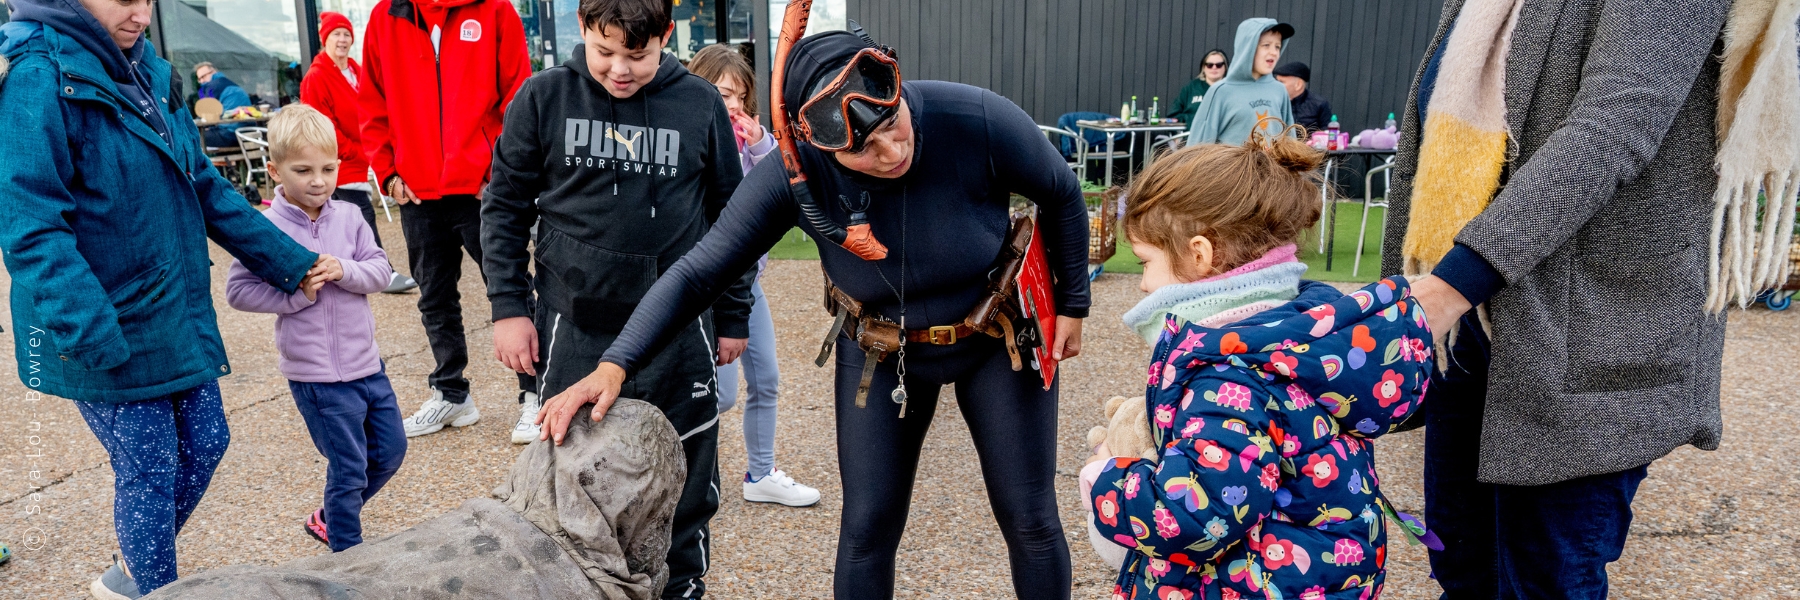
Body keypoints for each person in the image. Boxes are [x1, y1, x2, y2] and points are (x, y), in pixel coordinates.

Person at [536, 25, 1092, 599]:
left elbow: (1061, 191)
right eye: (863, 150)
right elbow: (700, 271)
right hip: (878, 347)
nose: (892, 152)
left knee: (1031, 519)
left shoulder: (973, 117)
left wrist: (1073, 302)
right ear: (818, 144)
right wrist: (614, 365)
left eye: (892, 125)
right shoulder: (795, 171)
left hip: (994, 339)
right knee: (867, 529)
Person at [1381, 0, 1749, 597]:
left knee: (1543, 580)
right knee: (1463, 569)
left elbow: (1616, 123)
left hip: (1583, 334)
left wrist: (1448, 288)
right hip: (1470, 324)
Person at [0, 0, 324, 594]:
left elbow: (203, 183)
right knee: (149, 472)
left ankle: (130, 568)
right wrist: (89, 329)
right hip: (101, 324)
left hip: (168, 311)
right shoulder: (35, 78)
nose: (141, 12)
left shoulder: (148, 68)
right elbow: (30, 225)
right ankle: (149, 585)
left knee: (208, 441)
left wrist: (292, 262)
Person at [1081, 131, 1430, 599]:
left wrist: (1108, 478)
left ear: (1199, 255)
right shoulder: (1305, 340)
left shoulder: (1231, 377)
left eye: (1145, 263)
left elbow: (1195, 517)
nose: (1142, 286)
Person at [481, 0, 755, 594]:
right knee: (572, 482)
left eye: (638, 55)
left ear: (665, 37)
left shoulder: (700, 104)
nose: (620, 70)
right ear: (582, 31)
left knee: (683, 478)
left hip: (679, 333)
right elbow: (502, 208)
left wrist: (734, 315)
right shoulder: (543, 96)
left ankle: (682, 590)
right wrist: (508, 309)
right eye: (605, 53)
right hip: (573, 327)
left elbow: (733, 220)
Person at [225, 104, 408, 554]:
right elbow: (238, 291)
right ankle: (349, 552)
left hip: (367, 364)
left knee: (390, 451)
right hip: (317, 377)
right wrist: (296, 294)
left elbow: (381, 271)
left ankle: (329, 516)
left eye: (328, 169)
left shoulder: (349, 217)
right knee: (349, 467)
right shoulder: (264, 228)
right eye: (303, 169)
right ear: (275, 170)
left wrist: (343, 270)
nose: (318, 180)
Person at [359, 0, 532, 439]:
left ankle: (536, 394)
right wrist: (389, 173)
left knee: (510, 289)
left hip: (480, 187)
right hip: (417, 190)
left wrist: (500, 170)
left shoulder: (496, 11)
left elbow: (519, 94)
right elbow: (372, 101)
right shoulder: (387, 16)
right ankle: (452, 395)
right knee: (433, 297)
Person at [686, 43, 821, 507]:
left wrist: (763, 143)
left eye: (741, 96)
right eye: (725, 95)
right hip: (703, 292)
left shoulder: (750, 145)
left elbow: (779, 195)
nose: (735, 106)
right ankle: (683, 476)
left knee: (766, 380)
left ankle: (760, 473)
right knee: (717, 396)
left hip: (748, 288)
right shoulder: (692, 141)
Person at [299, 11, 419, 294]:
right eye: (336, 34)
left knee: (340, 218)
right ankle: (383, 273)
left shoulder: (356, 70)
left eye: (346, 34)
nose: (342, 40)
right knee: (362, 213)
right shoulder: (316, 77)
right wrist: (355, 151)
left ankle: (347, 271)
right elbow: (322, 125)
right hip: (340, 160)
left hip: (364, 155)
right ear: (324, 39)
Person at [1185, 19, 1294, 146]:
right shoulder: (1221, 91)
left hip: (1272, 166)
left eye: (1277, 46)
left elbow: (1290, 140)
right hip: (1231, 166)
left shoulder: (1279, 90)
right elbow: (1198, 144)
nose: (1274, 52)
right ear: (1247, 47)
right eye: (1266, 45)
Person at [194, 61, 251, 147]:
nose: (202, 81)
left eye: (203, 76)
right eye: (199, 79)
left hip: (232, 134)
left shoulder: (212, 87)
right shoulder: (227, 83)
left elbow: (205, 113)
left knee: (192, 136)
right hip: (248, 132)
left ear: (213, 72)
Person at [1165, 48, 1226, 123]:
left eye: (1219, 65)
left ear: (1225, 67)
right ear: (1203, 67)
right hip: (1191, 133)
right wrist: (1190, 119)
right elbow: (1173, 115)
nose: (1214, 68)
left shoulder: (1232, 89)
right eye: (1209, 65)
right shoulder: (1190, 88)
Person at [1272, 61, 1331, 132]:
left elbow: (1328, 133)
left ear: (1298, 85)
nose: (1276, 85)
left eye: (1281, 82)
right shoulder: (1272, 102)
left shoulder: (1319, 104)